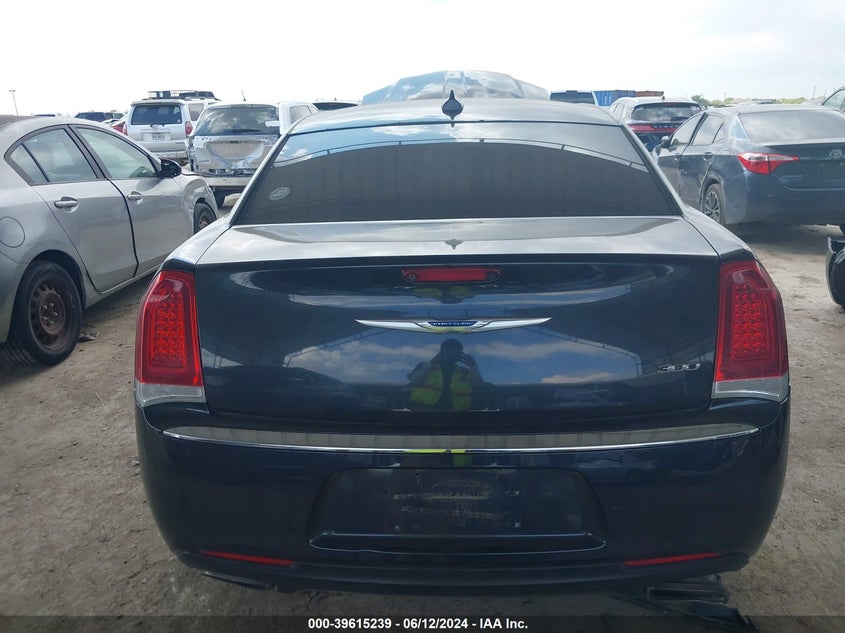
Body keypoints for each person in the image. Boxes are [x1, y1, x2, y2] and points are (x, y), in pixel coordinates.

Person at [407, 339, 484, 411]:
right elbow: (415, 380)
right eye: (448, 350)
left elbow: (478, 384)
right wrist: (431, 364)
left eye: (456, 352)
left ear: (460, 354)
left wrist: (473, 365)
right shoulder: (424, 366)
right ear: (441, 352)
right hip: (424, 410)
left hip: (457, 413)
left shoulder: (465, 371)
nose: (451, 354)